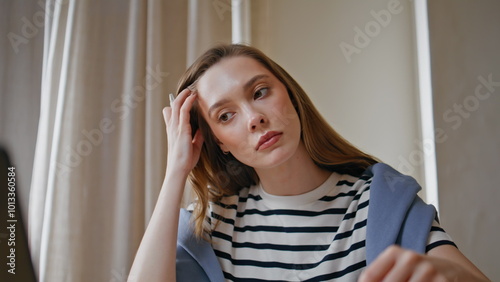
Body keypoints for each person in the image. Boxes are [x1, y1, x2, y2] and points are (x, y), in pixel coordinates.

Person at [128, 44, 489, 281]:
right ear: (217, 142)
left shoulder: (379, 205)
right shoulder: (213, 227)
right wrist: (176, 169)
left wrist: (443, 273)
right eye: (225, 116)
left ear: (290, 94)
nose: (254, 117)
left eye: (260, 92)